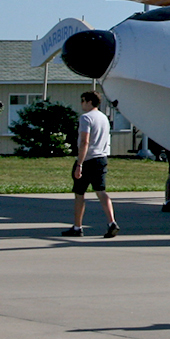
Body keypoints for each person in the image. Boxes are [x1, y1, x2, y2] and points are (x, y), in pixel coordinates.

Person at [65, 92, 118, 238]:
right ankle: (111, 222)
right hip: (102, 158)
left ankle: (77, 227)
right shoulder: (103, 118)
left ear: (89, 102)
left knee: (79, 193)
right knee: (101, 191)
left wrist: (79, 164)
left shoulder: (86, 117)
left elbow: (84, 141)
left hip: (88, 159)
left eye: (83, 101)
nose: (81, 103)